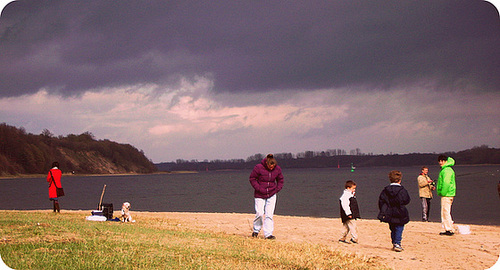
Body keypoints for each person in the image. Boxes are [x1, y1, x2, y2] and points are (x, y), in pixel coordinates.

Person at [249, 154, 284, 239]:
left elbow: (280, 180)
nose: (272, 168)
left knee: (269, 215)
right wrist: (258, 188)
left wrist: (277, 189)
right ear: (267, 164)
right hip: (259, 194)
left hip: (272, 194)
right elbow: (252, 178)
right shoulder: (258, 167)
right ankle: (256, 230)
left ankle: (268, 234)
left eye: (273, 167)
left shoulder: (277, 169)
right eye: (270, 167)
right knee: (260, 213)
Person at [377, 170, 411, 252]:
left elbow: (381, 201)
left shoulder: (385, 190)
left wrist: (383, 210)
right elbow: (407, 200)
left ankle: (394, 242)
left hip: (389, 212)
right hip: (400, 211)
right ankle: (397, 243)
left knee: (392, 228)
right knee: (399, 227)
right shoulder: (402, 190)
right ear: (400, 180)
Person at [437, 155, 456, 236]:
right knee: (446, 211)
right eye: (439, 161)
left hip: (447, 194)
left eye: (442, 161)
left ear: (446, 161)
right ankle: (450, 228)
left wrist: (442, 193)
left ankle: (448, 229)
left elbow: (446, 183)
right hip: (449, 194)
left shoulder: (446, 170)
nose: (440, 163)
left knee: (445, 212)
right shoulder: (446, 170)